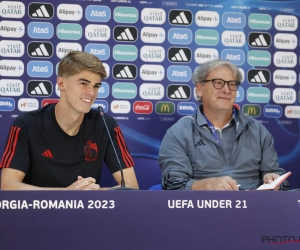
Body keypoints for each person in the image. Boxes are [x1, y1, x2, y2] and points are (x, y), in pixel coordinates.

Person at [0, 51, 138, 190]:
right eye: (84, 83)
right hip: (37, 210)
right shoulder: (26, 125)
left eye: (96, 86)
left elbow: (131, 187)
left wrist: (90, 194)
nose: (91, 92)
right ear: (61, 83)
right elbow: (8, 186)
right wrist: (68, 196)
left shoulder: (106, 125)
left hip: (87, 210)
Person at [159, 59, 289, 191]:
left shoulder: (258, 130)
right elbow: (173, 184)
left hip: (253, 207)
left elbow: (278, 178)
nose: (227, 90)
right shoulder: (179, 132)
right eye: (218, 83)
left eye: (232, 84)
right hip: (203, 208)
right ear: (200, 89)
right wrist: (206, 185)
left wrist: (274, 179)